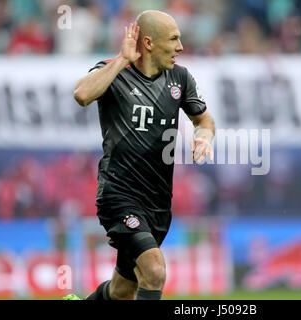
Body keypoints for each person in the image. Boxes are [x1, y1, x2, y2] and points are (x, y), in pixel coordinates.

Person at [65, 10, 215, 300]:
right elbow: (82, 94)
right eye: (173, 39)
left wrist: (204, 137)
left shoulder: (180, 78)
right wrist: (121, 59)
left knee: (123, 290)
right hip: (118, 195)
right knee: (155, 270)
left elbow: (204, 120)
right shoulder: (114, 72)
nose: (180, 47)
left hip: (158, 203)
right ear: (148, 42)